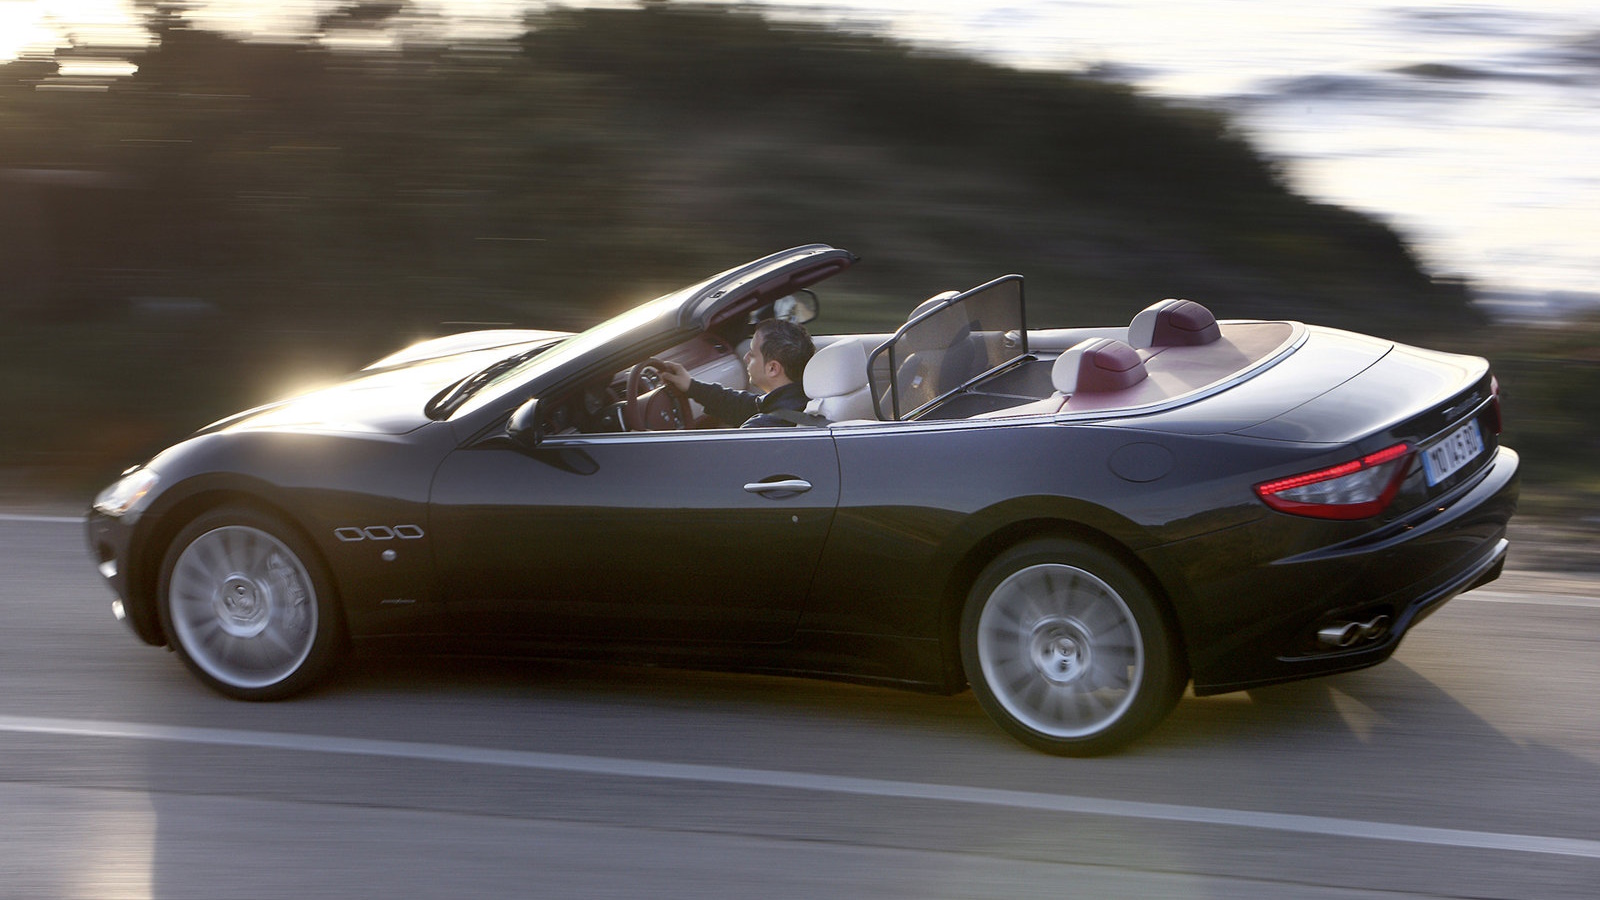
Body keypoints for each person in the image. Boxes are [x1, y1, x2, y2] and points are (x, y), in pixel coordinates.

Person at [658, 319, 814, 428]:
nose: (746, 358)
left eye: (752, 354)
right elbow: (742, 405)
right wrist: (691, 386)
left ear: (772, 368)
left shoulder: (761, 429)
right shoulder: (799, 402)